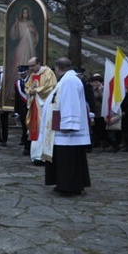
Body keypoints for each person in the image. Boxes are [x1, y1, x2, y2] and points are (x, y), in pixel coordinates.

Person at [41, 57, 91, 196]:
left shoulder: (69, 81)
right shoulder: (68, 80)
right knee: (66, 159)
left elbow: (70, 103)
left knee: (68, 160)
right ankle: (65, 184)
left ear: (57, 67)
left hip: (66, 130)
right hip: (61, 128)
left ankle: (69, 186)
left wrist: (69, 124)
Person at [25, 57, 57, 165]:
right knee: (35, 129)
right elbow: (27, 86)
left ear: (38, 63)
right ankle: (36, 155)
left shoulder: (48, 73)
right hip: (35, 105)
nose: (31, 68)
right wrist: (30, 90)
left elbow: (50, 87)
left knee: (44, 128)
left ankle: (44, 155)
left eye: (33, 65)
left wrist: (36, 90)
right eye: (30, 66)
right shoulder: (33, 74)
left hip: (44, 106)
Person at [7, 5, 39, 101]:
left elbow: (36, 34)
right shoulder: (19, 23)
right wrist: (16, 24)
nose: (25, 14)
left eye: (27, 12)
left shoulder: (30, 23)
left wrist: (32, 32)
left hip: (29, 47)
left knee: (29, 64)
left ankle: (29, 88)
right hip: (22, 45)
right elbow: (14, 35)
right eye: (24, 13)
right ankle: (16, 90)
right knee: (19, 63)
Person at [14, 65, 30, 155]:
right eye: (20, 74)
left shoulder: (32, 81)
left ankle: (28, 146)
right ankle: (25, 144)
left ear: (27, 71)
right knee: (24, 127)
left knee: (29, 128)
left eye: (23, 73)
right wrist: (16, 111)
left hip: (31, 108)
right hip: (22, 109)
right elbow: (17, 98)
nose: (22, 75)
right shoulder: (18, 83)